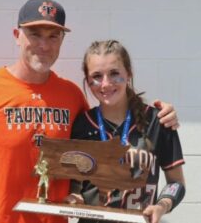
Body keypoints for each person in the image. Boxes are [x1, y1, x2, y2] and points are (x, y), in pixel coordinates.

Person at [0, 0, 180, 223]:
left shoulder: (72, 96)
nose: (44, 45)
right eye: (34, 34)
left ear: (61, 40)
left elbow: (103, 138)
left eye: (53, 36)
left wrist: (161, 115)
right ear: (17, 36)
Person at [69, 40, 185, 223]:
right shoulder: (82, 125)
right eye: (97, 76)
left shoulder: (158, 120)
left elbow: (176, 182)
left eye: (114, 73)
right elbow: (74, 184)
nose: (106, 84)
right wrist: (75, 197)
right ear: (88, 81)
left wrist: (161, 206)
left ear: (129, 73)